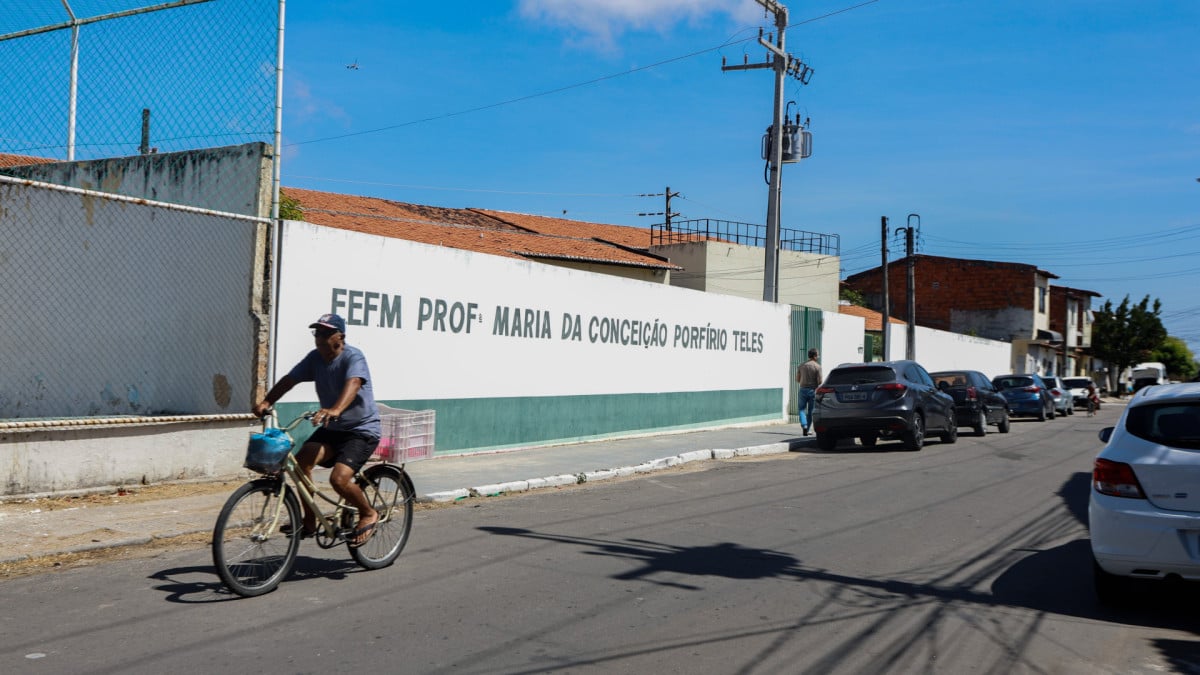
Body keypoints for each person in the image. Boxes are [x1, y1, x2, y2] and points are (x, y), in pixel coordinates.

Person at [253, 313, 382, 547]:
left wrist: (335, 409)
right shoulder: (315, 359)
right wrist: (266, 402)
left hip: (361, 430)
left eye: (325, 333)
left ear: (340, 336)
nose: (319, 338)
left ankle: (367, 513)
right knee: (301, 463)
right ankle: (309, 520)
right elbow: (289, 380)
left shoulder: (353, 357)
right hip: (333, 429)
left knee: (339, 479)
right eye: (317, 333)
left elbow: (353, 383)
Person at [796, 347, 822, 436]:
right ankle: (808, 429)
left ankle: (804, 425)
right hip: (813, 390)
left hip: (803, 389)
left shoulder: (801, 365)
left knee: (801, 409)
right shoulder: (818, 367)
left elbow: (797, 379)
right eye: (817, 355)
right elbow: (820, 381)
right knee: (811, 411)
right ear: (814, 356)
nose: (818, 356)